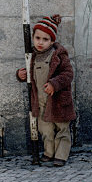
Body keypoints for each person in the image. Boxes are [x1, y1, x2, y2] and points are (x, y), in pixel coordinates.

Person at [16, 14, 75, 167]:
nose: (40, 42)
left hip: (58, 99)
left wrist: (54, 84)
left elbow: (68, 74)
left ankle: (61, 155)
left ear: (52, 41)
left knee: (62, 129)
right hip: (41, 101)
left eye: (45, 39)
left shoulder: (58, 55)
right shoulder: (32, 56)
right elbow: (30, 74)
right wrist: (21, 75)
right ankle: (49, 152)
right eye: (37, 38)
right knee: (45, 130)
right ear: (33, 38)